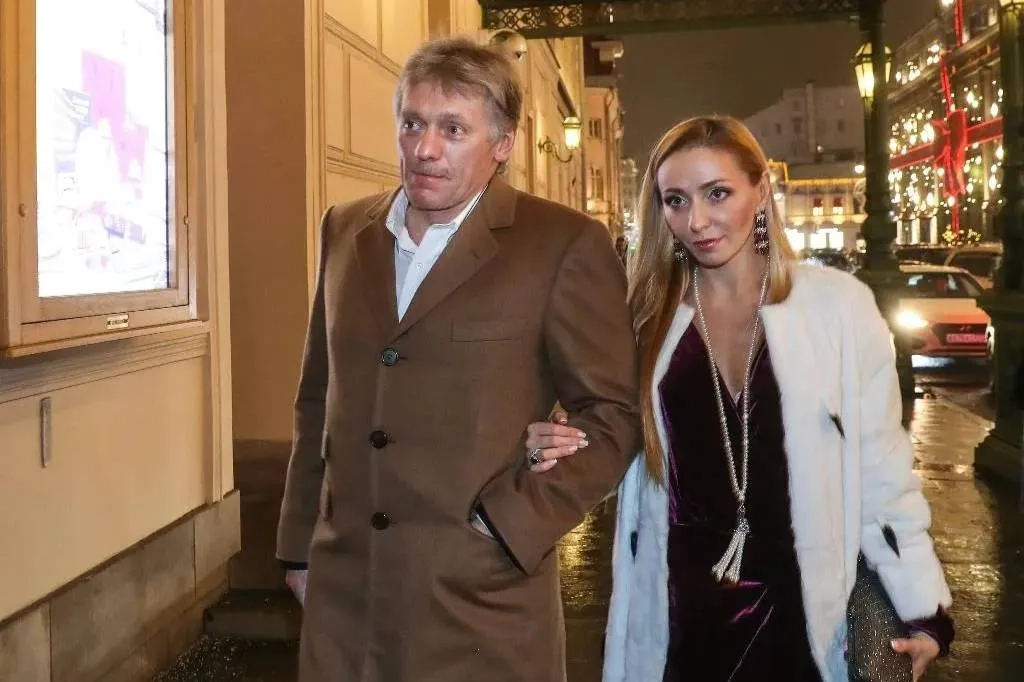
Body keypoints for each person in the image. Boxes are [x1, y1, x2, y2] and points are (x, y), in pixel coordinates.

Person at [523, 115, 954, 681]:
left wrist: (922, 608)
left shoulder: (838, 310)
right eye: (676, 201)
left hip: (804, 610)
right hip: (678, 612)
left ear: (761, 190)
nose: (696, 221)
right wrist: (555, 445)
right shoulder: (643, 320)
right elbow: (612, 445)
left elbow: (882, 469)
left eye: (717, 193)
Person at [275, 37, 641, 682]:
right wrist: (299, 548)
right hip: (345, 602)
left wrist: (509, 524)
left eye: (453, 129)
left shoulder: (560, 244)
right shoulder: (345, 230)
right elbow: (318, 397)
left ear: (502, 144)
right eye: (412, 123)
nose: (425, 148)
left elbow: (613, 416)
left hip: (480, 606)